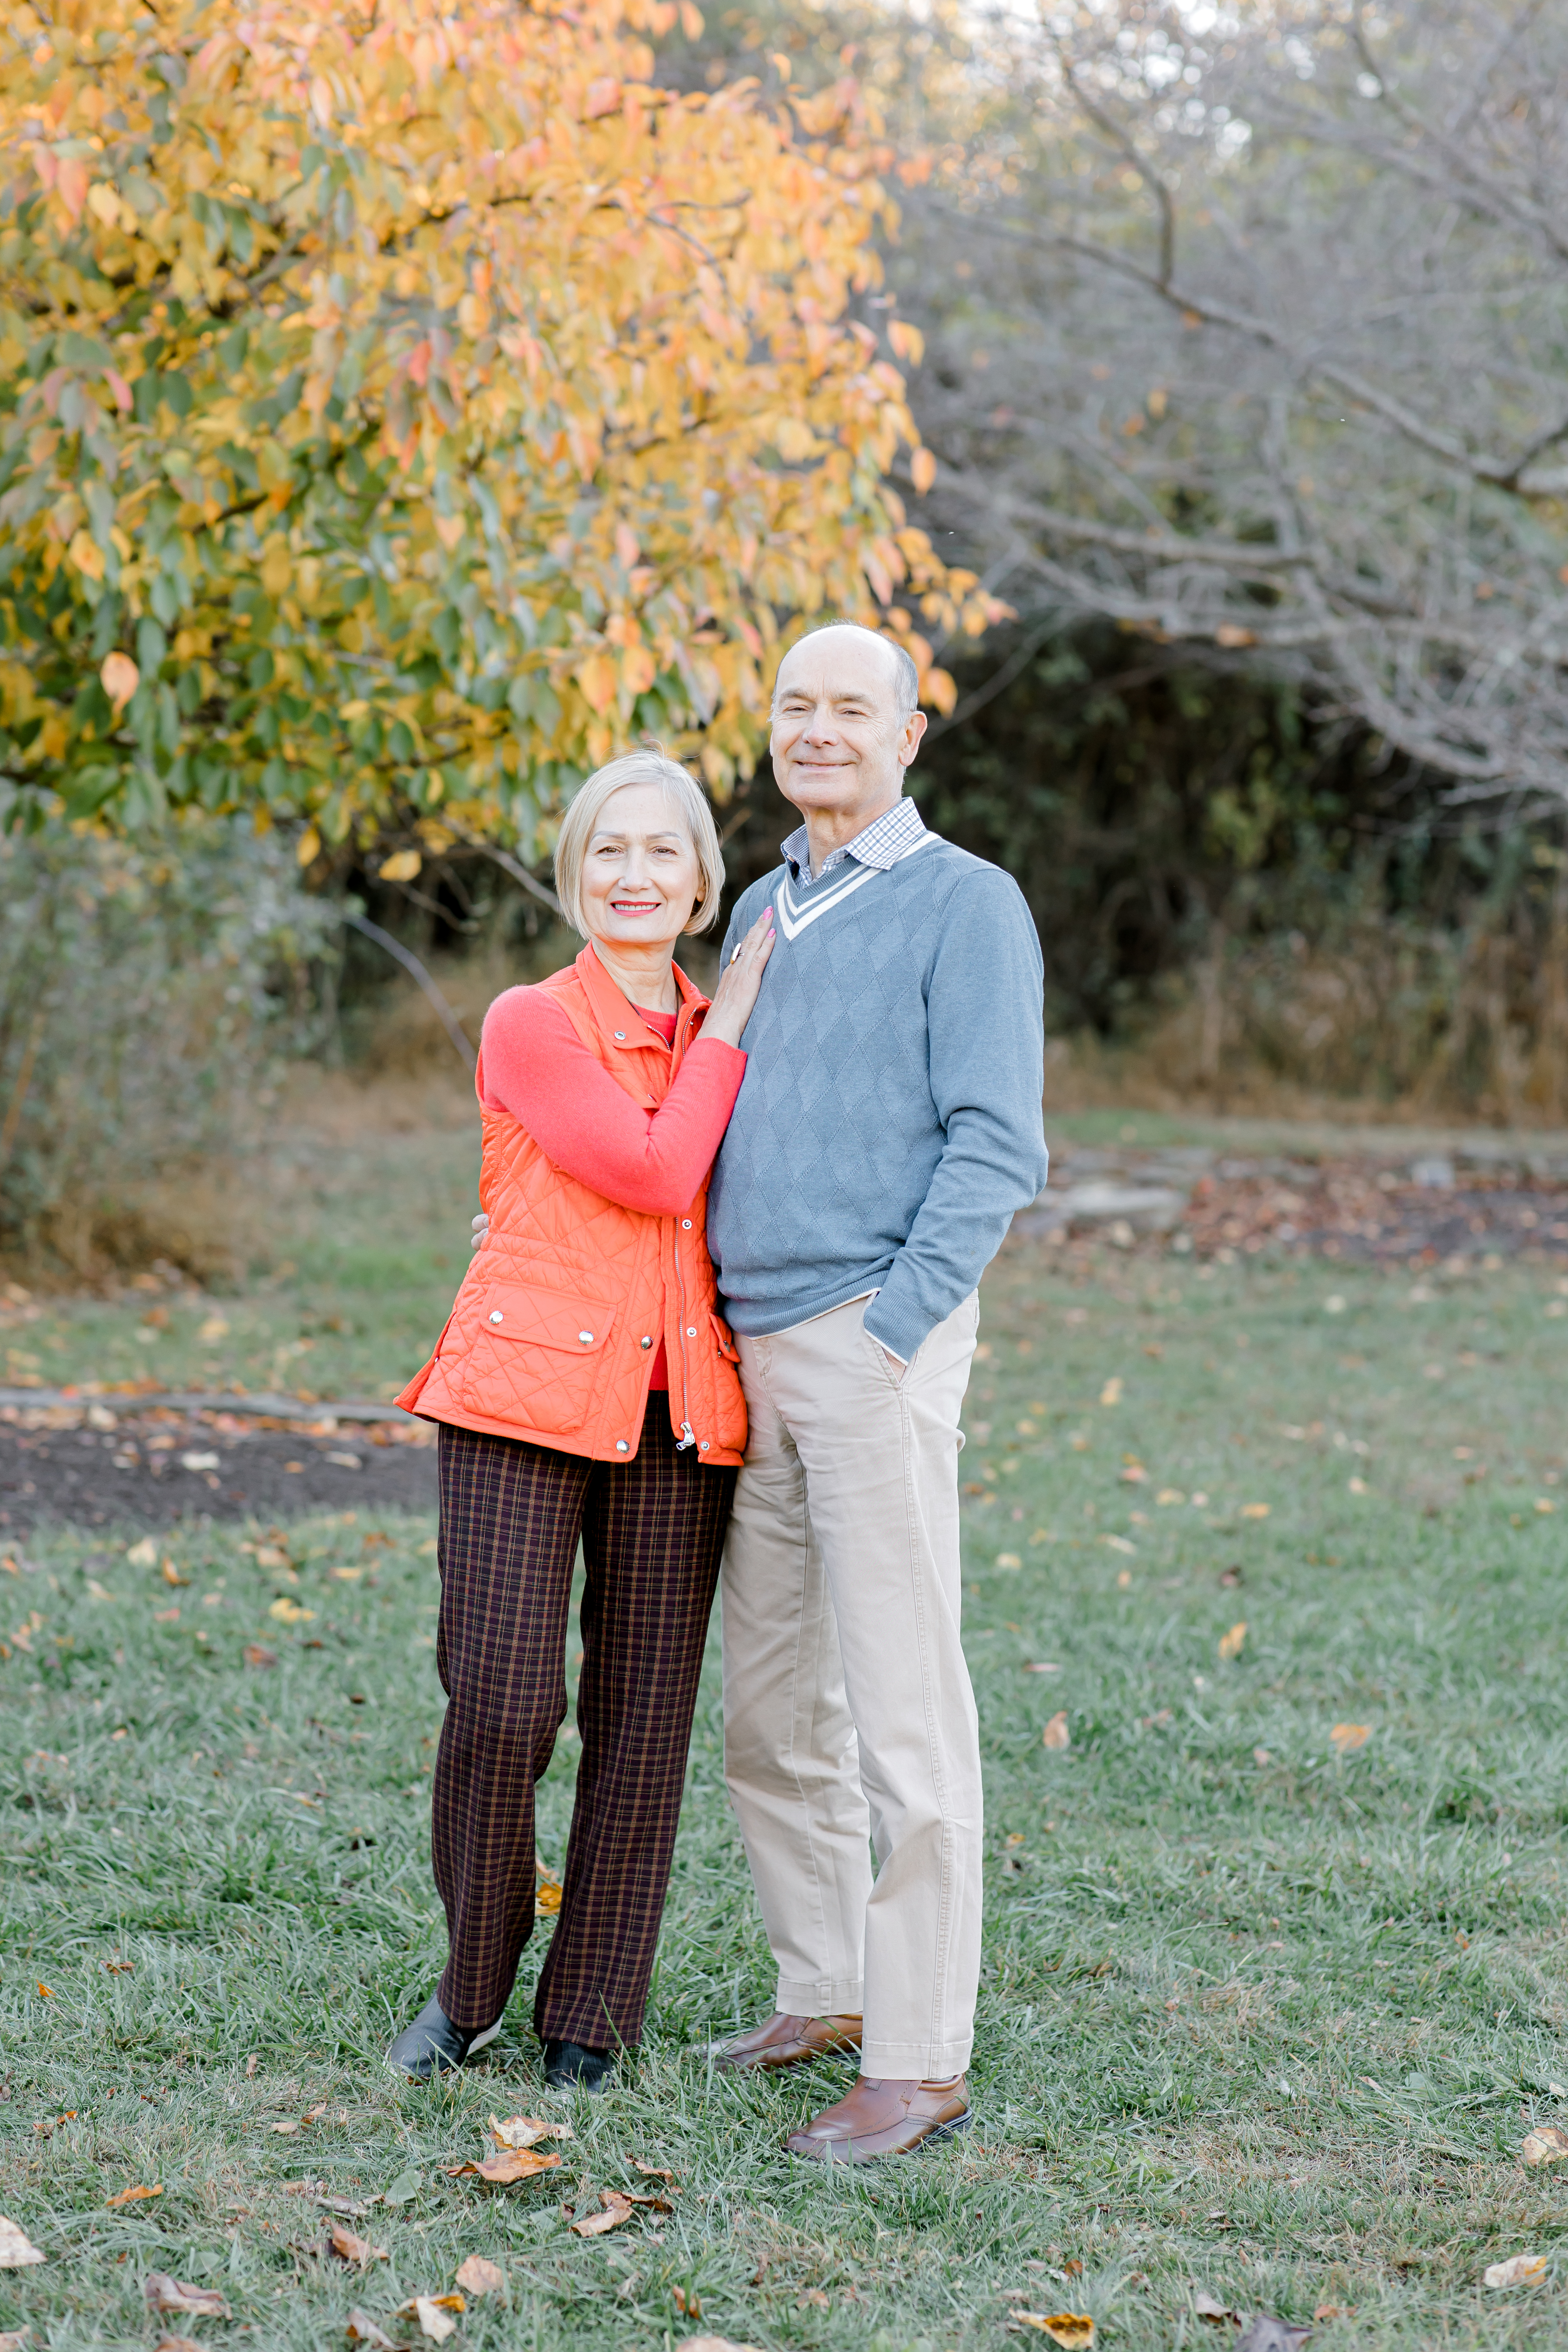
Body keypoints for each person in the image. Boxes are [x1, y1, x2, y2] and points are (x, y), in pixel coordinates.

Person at [705, 622, 1050, 2160]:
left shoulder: (967, 903)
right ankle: (826, 1988)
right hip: (750, 1353)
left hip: (868, 1341)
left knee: (904, 1717)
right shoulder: (762, 907)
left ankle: (917, 2059)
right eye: (797, 705)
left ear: (909, 736)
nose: (820, 729)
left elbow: (999, 1145)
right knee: (774, 1710)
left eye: (854, 708)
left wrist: (895, 1330)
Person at [387, 749, 775, 2089]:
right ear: (574, 876)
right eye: (610, 849)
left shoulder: (733, 1031)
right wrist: (732, 1031)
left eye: (664, 850)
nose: (635, 874)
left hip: (683, 1409)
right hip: (523, 1398)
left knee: (643, 1725)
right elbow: (656, 1172)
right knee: (502, 1708)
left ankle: (590, 2021)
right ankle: (471, 1984)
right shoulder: (531, 1022)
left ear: (703, 882)